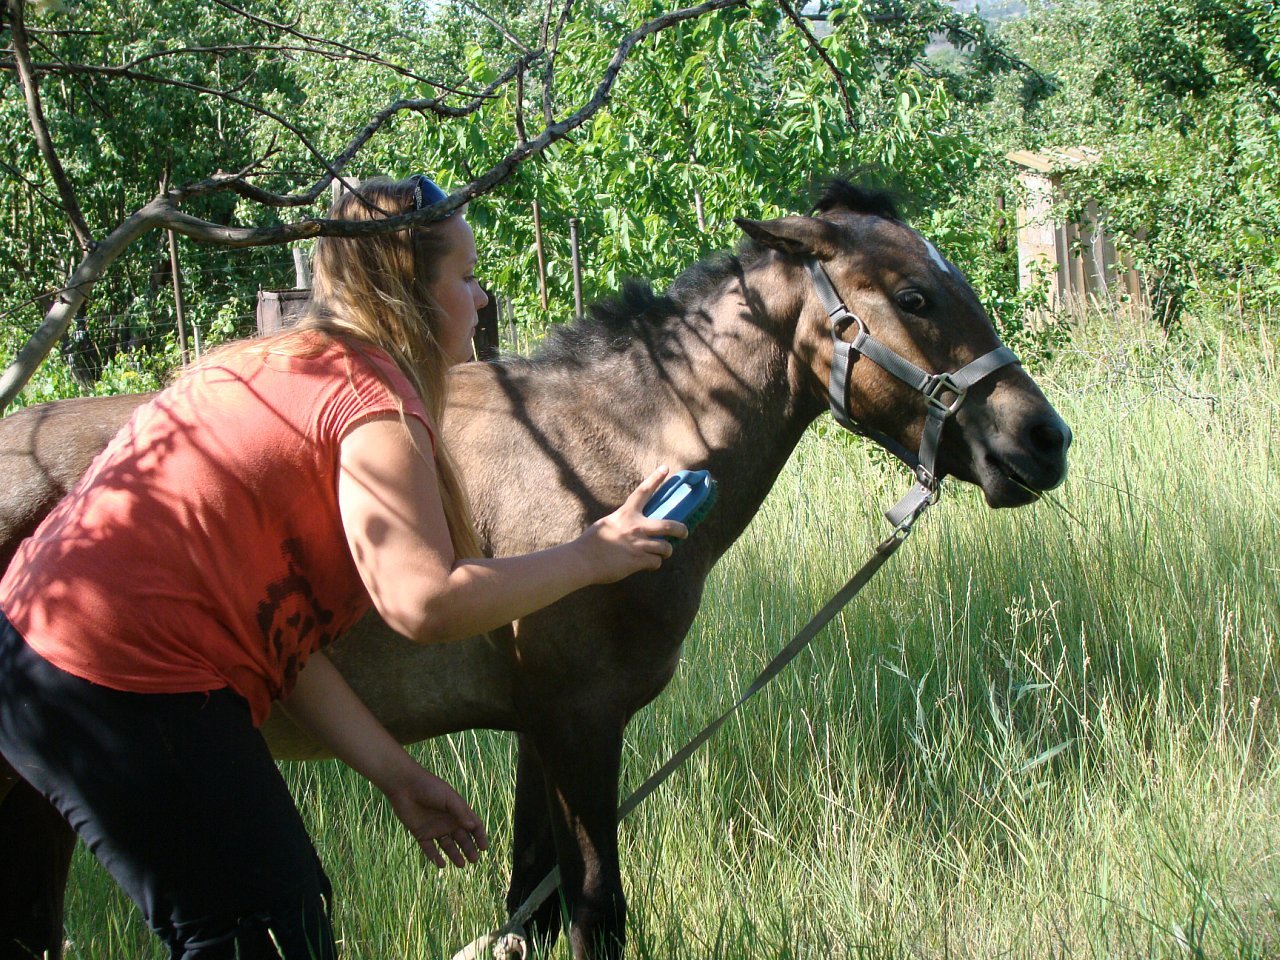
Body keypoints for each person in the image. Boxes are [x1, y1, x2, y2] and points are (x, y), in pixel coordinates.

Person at [0, 175, 686, 959]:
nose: (481, 297)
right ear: (410, 290)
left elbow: (278, 639)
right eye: (464, 277)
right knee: (269, 929)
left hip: (28, 651)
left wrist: (397, 776)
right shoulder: (370, 402)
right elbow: (423, 603)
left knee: (277, 917)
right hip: (117, 675)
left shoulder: (275, 363)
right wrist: (591, 555)